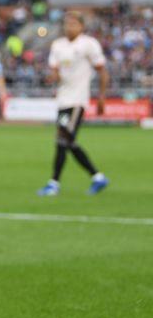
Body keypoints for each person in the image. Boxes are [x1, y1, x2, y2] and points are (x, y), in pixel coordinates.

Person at [37, 10, 109, 196]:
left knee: (62, 138)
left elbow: (102, 71)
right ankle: (97, 177)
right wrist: (51, 77)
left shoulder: (88, 44)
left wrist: (101, 97)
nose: (69, 27)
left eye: (73, 24)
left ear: (81, 26)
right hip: (63, 99)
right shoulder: (58, 45)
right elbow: (55, 71)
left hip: (78, 100)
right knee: (66, 141)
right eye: (67, 24)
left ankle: (54, 183)